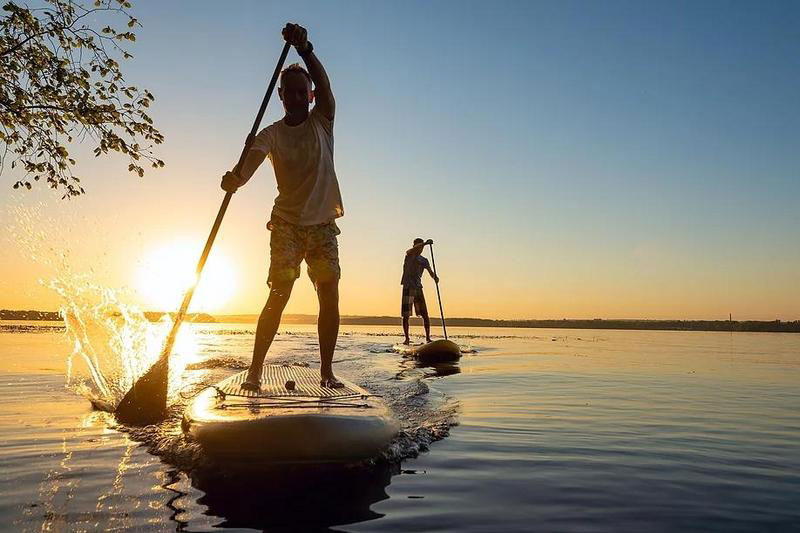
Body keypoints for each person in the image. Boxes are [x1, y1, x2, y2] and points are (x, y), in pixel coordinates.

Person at [221, 23, 344, 389]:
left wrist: (305, 49)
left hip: (322, 225)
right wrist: (234, 179)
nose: (294, 96)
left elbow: (325, 86)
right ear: (280, 95)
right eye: (288, 91)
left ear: (309, 96)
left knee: (329, 293)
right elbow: (247, 167)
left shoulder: (323, 120)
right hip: (287, 225)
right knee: (280, 292)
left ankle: (326, 372)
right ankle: (255, 372)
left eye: (300, 91)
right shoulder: (271, 133)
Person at [401, 238, 439, 344]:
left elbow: (430, 272)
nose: (421, 249)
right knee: (406, 315)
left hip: (418, 288)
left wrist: (435, 277)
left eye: (422, 247)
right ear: (415, 246)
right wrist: (425, 243)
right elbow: (410, 251)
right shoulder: (409, 256)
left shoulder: (424, 260)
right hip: (408, 287)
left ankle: (427, 338)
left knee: (425, 314)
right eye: (420, 246)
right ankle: (407, 339)